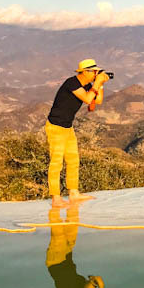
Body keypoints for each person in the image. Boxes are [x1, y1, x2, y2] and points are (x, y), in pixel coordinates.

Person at [45, 58, 110, 208]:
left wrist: (100, 85)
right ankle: (56, 198)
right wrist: (97, 83)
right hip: (56, 127)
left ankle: (73, 193)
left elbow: (97, 101)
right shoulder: (72, 83)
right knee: (56, 163)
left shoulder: (87, 84)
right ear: (86, 72)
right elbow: (88, 99)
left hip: (68, 127)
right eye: (94, 72)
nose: (95, 74)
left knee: (73, 160)